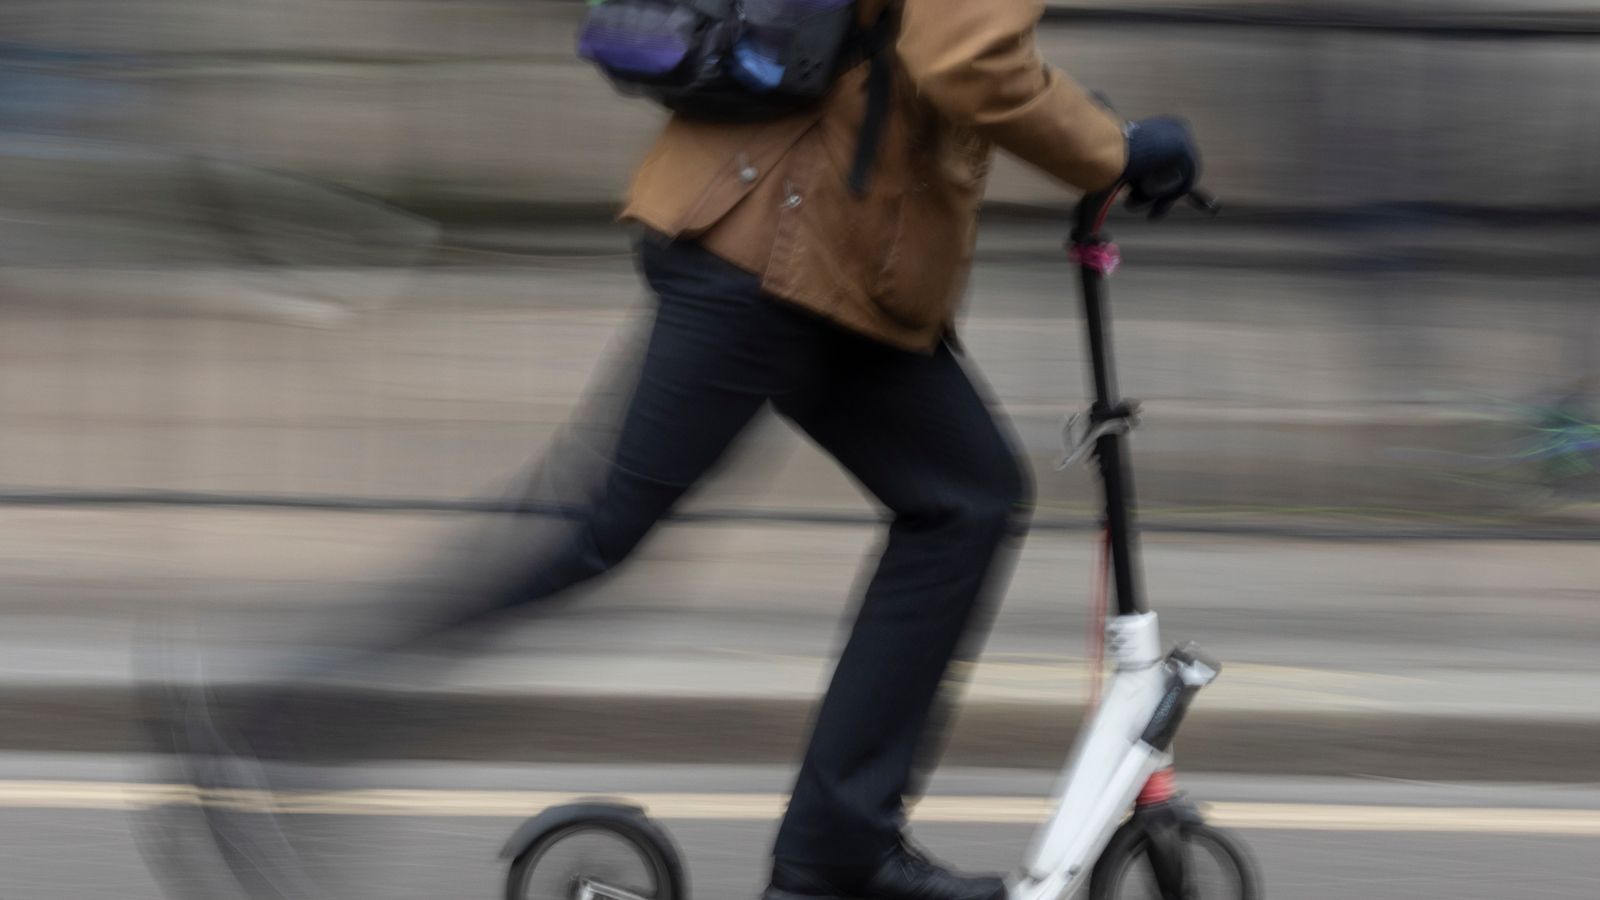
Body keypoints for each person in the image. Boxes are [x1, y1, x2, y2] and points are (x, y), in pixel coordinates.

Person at [173, 1, 1200, 899]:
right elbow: (965, 55)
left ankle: (838, 850)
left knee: (961, 499)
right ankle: (264, 717)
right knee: (595, 529)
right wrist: (1113, 148)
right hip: (777, 254)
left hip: (815, 257)